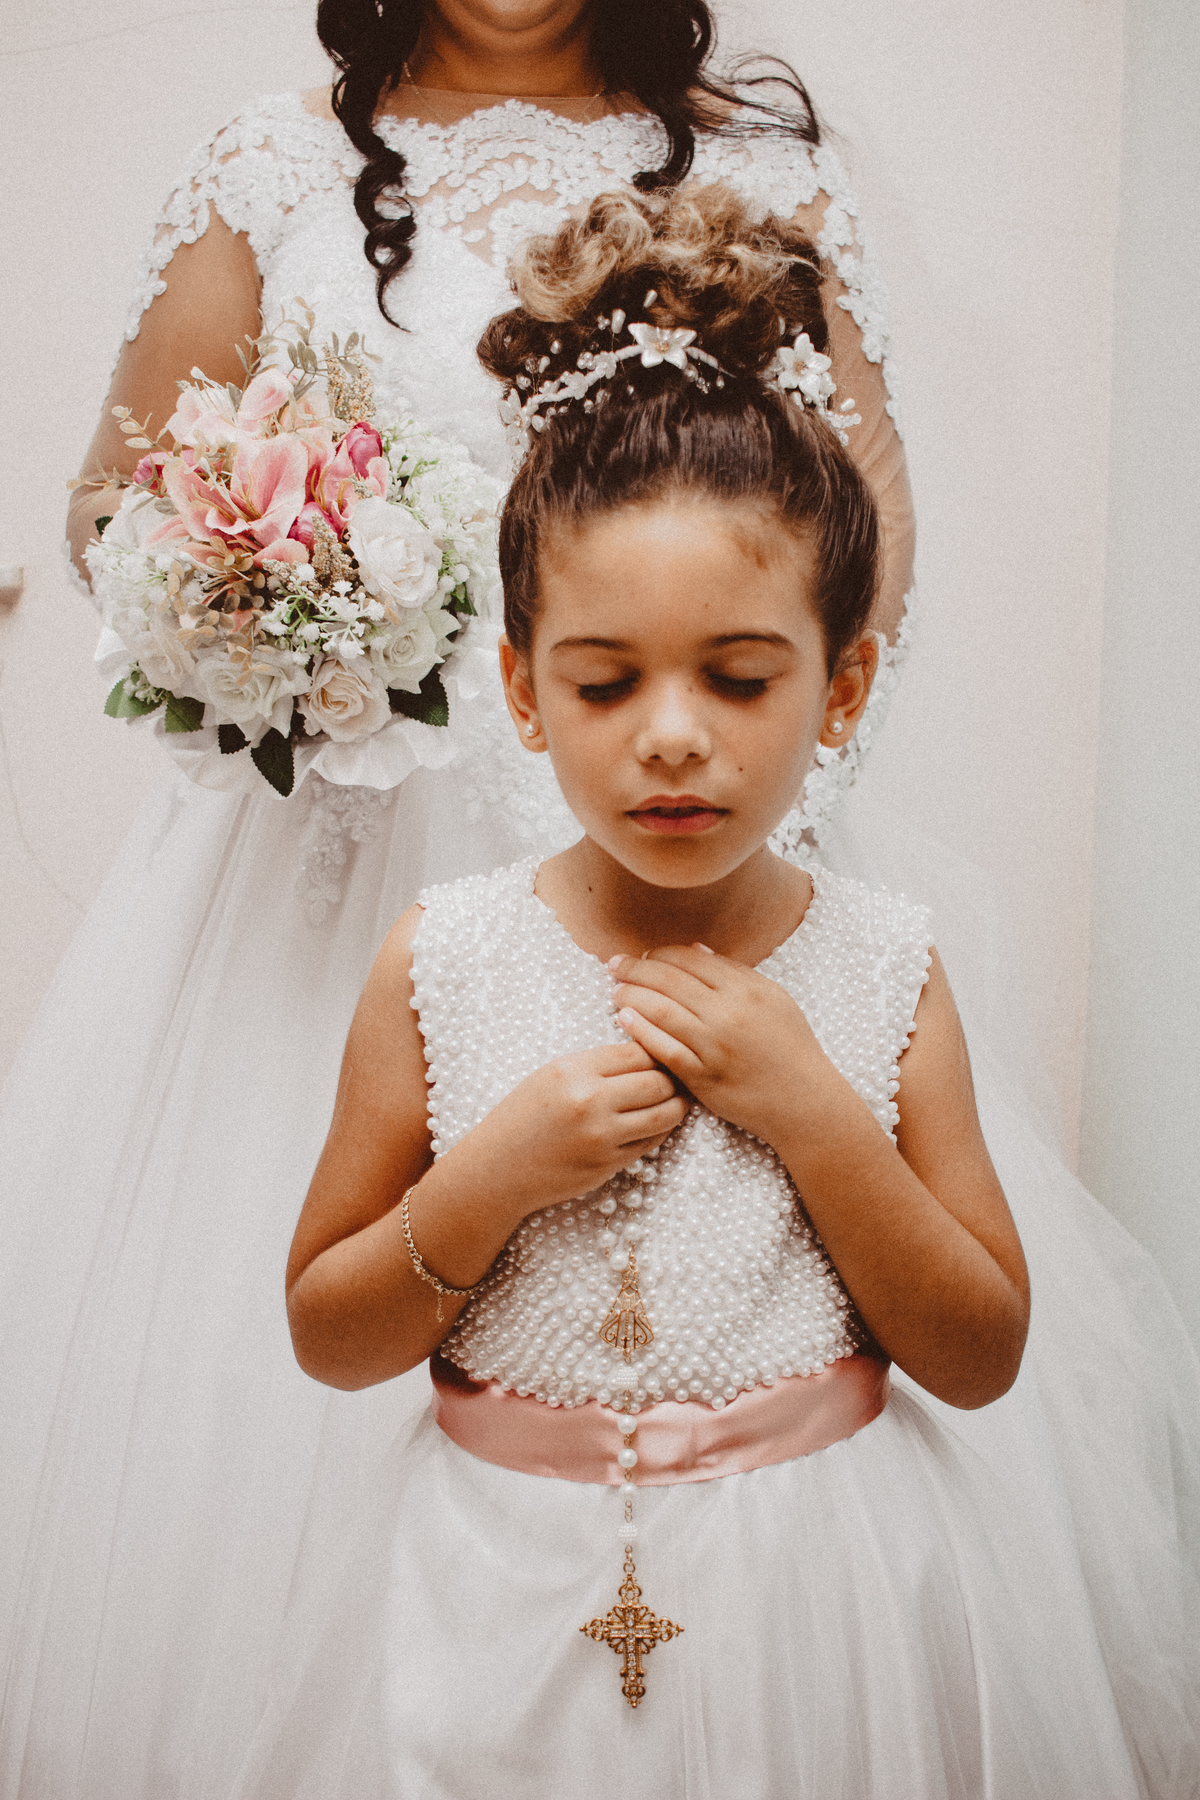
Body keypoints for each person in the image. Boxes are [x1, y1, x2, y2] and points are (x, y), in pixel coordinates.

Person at [0, 6, 914, 1798]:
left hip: (675, 828)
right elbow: (118, 503)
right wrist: (266, 587)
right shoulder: (271, 164)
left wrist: (757, 832)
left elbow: (866, 535)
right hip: (335, 865)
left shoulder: (763, 175)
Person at [229, 189, 1152, 1796]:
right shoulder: (442, 959)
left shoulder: (884, 965)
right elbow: (327, 1332)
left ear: (840, 686)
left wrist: (815, 1116)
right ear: (525, 691)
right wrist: (494, 1176)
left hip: (816, 1600)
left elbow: (983, 1351)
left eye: (738, 676)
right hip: (492, 1600)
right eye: (605, 681)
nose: (671, 734)